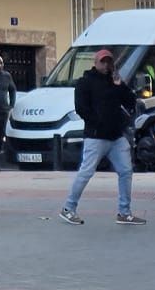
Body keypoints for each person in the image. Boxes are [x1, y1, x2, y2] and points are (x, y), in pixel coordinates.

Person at [59, 48, 146, 225]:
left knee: (125, 171)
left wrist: (119, 85)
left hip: (116, 136)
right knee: (86, 172)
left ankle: (124, 212)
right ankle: (69, 208)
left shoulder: (114, 82)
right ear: (96, 63)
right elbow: (81, 108)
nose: (106, 65)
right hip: (96, 136)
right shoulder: (85, 82)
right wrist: (98, 122)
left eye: (109, 62)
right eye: (103, 61)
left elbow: (130, 101)